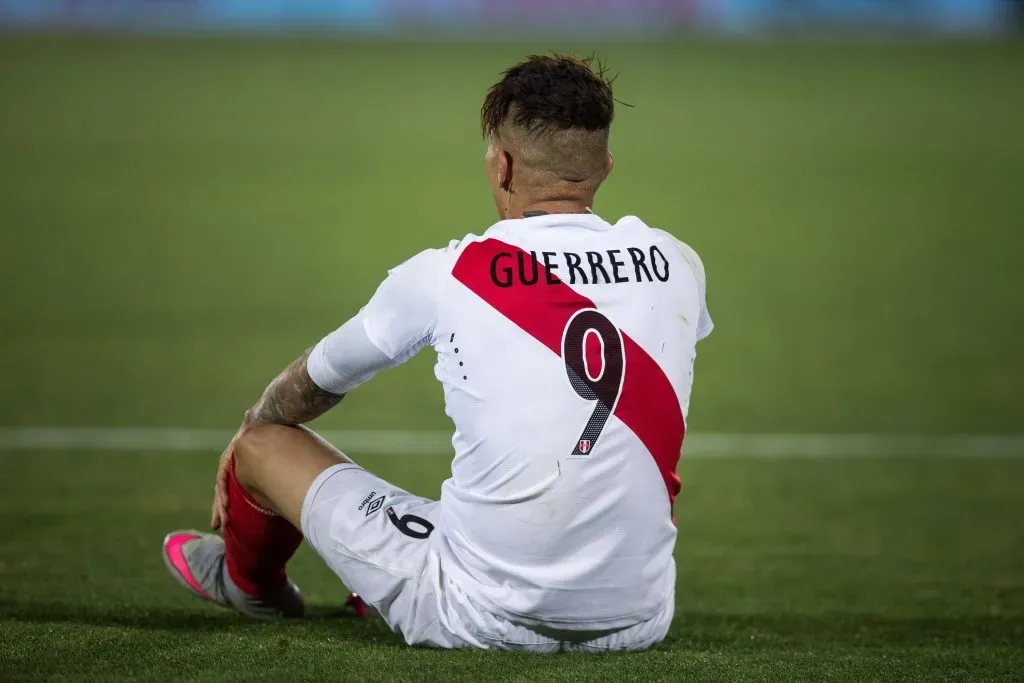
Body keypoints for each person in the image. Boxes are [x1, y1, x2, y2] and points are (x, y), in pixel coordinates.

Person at [162, 53, 713, 652]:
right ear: (604, 168)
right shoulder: (678, 264)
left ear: (501, 166)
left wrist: (249, 429)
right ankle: (382, 580)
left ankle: (252, 587)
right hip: (638, 621)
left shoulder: (448, 275)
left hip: (475, 617)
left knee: (263, 447)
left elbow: (312, 385)